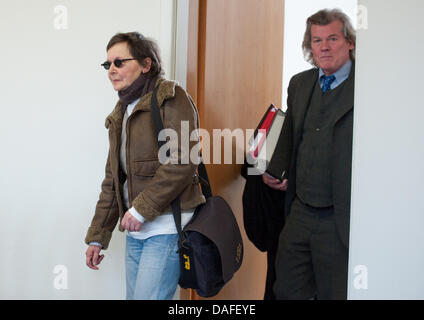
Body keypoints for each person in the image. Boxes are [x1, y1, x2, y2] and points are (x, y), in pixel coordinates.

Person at [84, 32, 205, 300]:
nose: (111, 70)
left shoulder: (170, 97)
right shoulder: (121, 112)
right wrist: (98, 236)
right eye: (108, 65)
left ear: (146, 64)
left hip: (165, 227)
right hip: (137, 231)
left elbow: (183, 159)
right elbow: (113, 179)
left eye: (119, 62)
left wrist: (140, 209)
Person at [263, 9, 356, 299]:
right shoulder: (300, 84)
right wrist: (273, 170)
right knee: (287, 290)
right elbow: (290, 131)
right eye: (317, 40)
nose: (324, 47)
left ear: (350, 42)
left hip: (340, 217)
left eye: (332, 38)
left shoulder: (368, 86)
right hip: (300, 212)